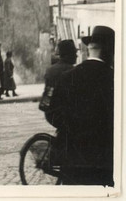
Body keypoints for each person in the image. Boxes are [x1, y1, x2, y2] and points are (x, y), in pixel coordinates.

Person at [46, 25, 115, 186]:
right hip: (103, 162)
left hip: (71, 159)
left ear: (89, 49)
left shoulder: (67, 76)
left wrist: (70, 129)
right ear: (109, 51)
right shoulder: (113, 79)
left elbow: (52, 112)